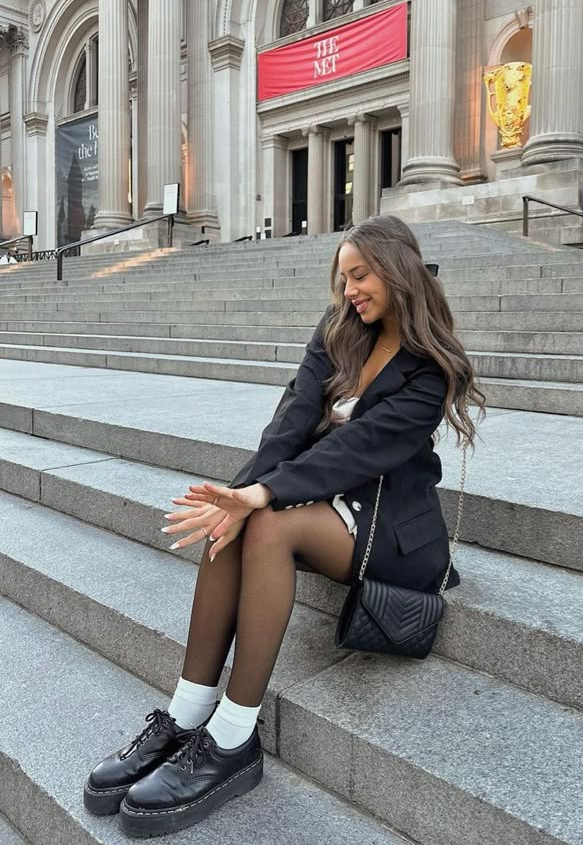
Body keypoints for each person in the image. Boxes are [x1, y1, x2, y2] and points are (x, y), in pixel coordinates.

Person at [84, 214, 487, 837]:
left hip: (393, 526)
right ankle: (187, 715)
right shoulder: (338, 331)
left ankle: (233, 739)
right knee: (239, 521)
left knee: (267, 525)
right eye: (343, 277)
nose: (349, 289)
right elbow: (292, 424)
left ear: (398, 271)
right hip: (325, 500)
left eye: (360, 275)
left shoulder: (430, 366)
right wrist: (237, 494)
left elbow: (359, 451)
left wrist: (261, 497)